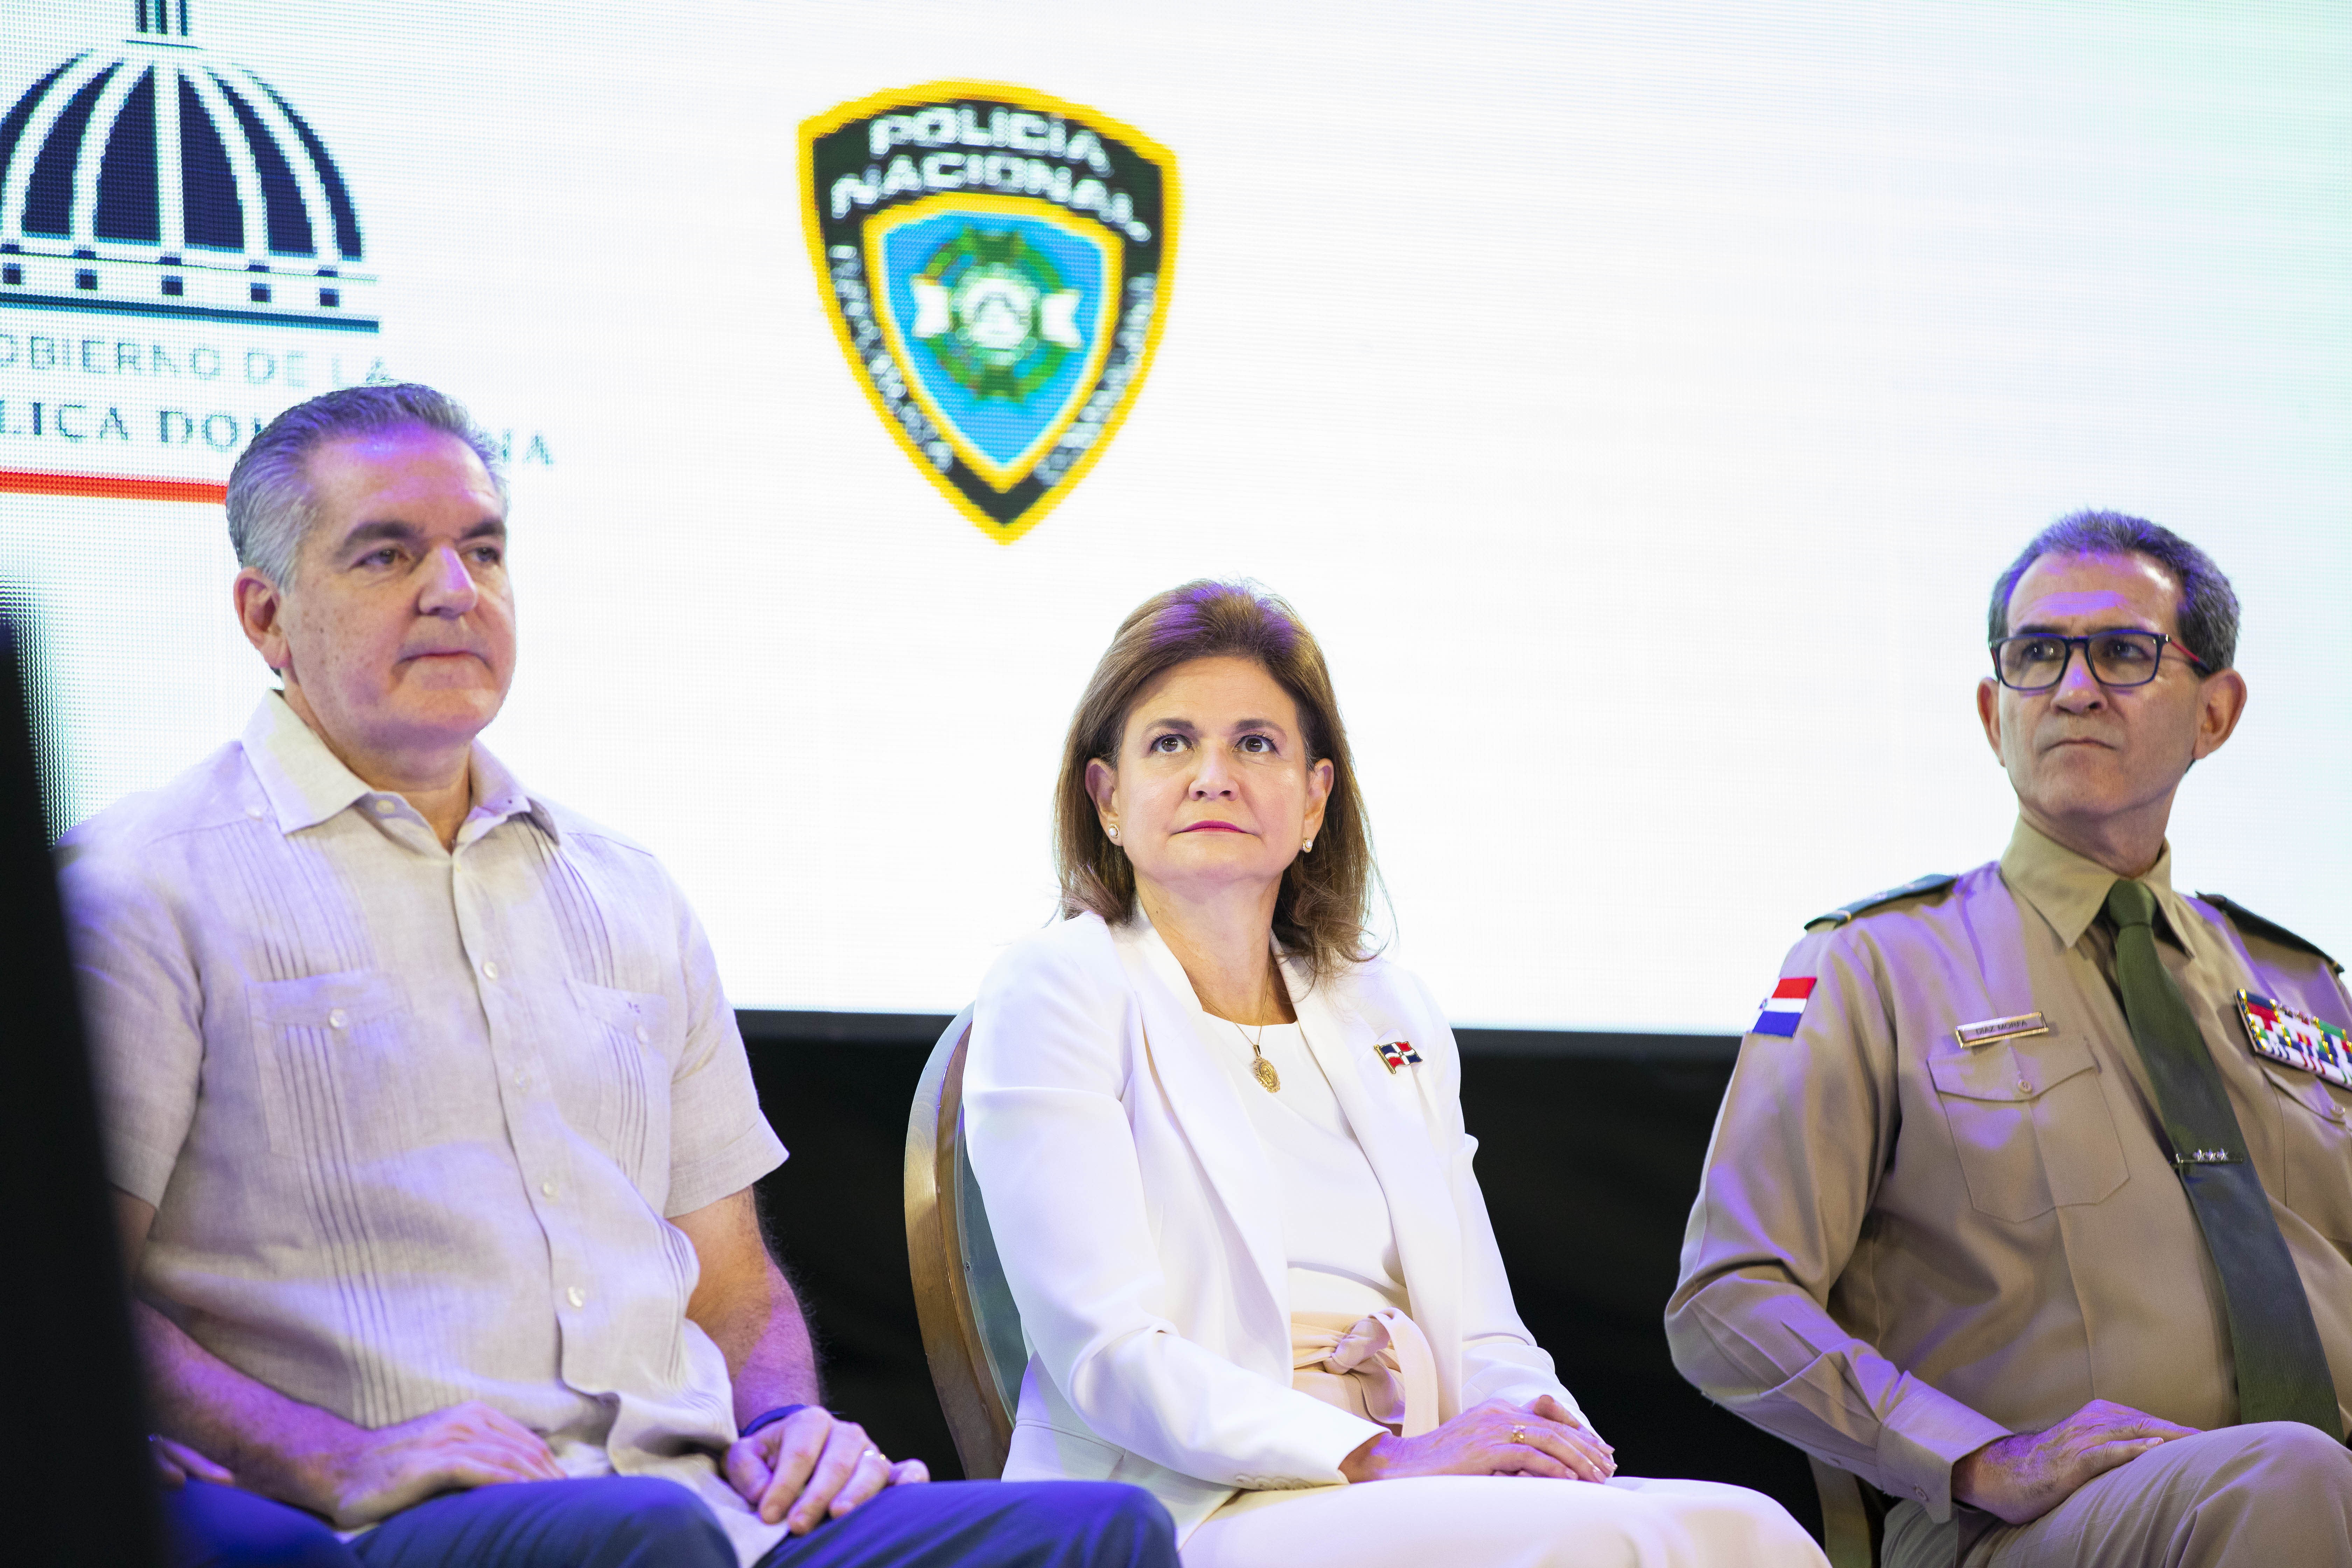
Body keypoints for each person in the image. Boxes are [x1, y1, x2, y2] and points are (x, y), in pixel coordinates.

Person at [61, 383, 1176, 1568]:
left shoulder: (627, 891)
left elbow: (735, 1288)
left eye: (483, 551)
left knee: (1102, 1531)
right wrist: (324, 1457)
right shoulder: (143, 886)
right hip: (388, 1517)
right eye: (388, 555)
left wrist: (787, 1424)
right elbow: (61, 1287)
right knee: (642, 1536)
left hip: (699, 1501)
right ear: (266, 615)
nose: (455, 590)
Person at [964, 580, 1825, 1567]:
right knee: (1605, 1549)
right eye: (1170, 743)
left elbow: (1485, 1330)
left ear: (1314, 799)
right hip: (1184, 1499)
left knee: (1748, 1527)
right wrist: (1379, 1458)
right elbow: (1108, 1354)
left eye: (1257, 744)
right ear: (1107, 798)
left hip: (1412, 1465)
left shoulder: (1388, 1010)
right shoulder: (1056, 988)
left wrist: (1537, 1433)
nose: (1214, 776)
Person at [1667, 511, 2352, 1568]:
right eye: (2038, 655)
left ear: (2216, 712)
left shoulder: (2304, 988)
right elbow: (1729, 1298)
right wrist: (1977, 1458)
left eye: (2122, 652)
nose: (2075, 689)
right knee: (2288, 1475)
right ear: (1995, 714)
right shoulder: (1876, 965)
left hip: (2322, 1495)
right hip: (2022, 1533)